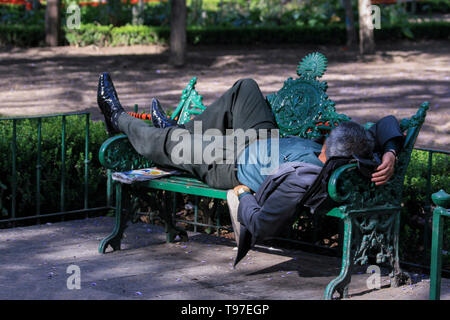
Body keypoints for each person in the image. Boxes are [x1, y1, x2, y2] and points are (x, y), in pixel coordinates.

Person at [97, 73, 403, 266]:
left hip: (229, 162)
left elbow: (262, 225)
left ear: (331, 154)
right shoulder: (355, 152)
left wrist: (243, 195)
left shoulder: (304, 177)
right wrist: (390, 152)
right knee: (245, 88)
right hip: (263, 140)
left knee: (165, 142)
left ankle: (118, 118)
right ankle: (183, 129)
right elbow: (388, 121)